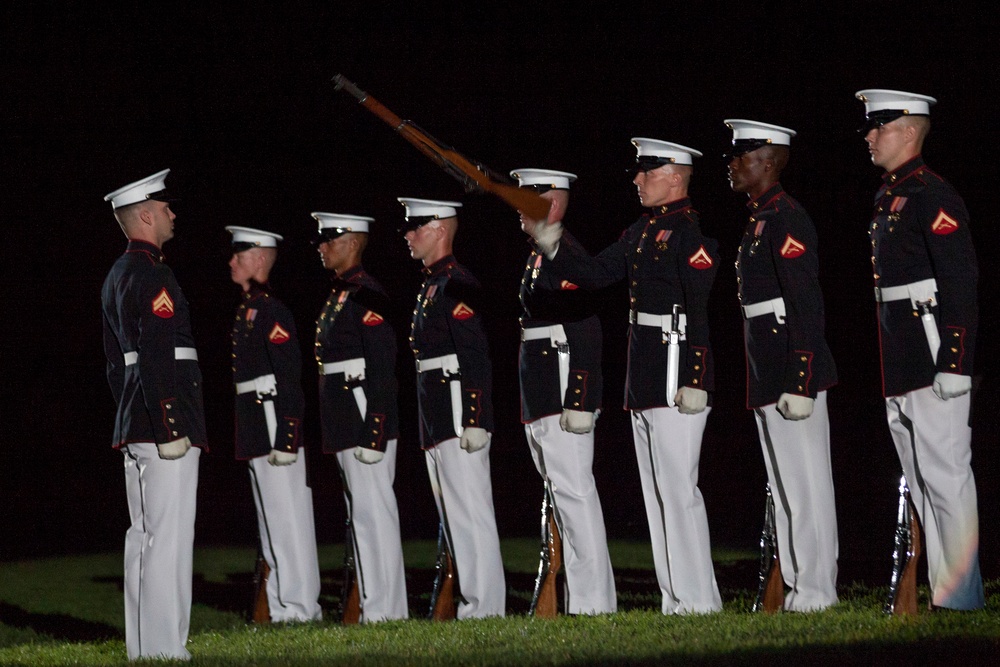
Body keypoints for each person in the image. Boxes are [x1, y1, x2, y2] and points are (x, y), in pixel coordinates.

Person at [528, 140, 722, 614]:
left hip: (677, 369)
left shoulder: (689, 233)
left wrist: (698, 376)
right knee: (657, 495)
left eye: (647, 172)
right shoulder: (641, 230)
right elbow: (595, 274)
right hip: (646, 374)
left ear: (675, 176)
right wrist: (553, 241)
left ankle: (698, 600)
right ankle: (675, 599)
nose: (637, 180)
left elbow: (698, 308)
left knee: (679, 490)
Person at [856, 89, 983, 610]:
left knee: (947, 473)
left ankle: (961, 597)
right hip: (902, 354)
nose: (869, 136)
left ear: (908, 130)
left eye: (878, 126)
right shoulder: (891, 194)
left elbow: (960, 280)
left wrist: (955, 361)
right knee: (921, 476)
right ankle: (943, 591)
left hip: (932, 353)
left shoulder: (933, 194)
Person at [724, 119, 839, 611]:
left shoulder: (786, 216)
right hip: (766, 364)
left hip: (792, 368)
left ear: (767, 161)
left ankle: (817, 588)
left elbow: (805, 302)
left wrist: (801, 376)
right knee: (784, 482)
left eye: (741, 155)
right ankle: (798, 585)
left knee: (807, 482)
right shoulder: (759, 218)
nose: (731, 164)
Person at [101, 169, 205, 660]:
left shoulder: (116, 276)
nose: (172, 213)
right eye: (165, 207)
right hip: (165, 421)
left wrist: (134, 415)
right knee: (168, 538)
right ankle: (165, 650)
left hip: (134, 420)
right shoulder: (155, 274)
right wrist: (170, 423)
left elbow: (115, 365)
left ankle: (143, 648)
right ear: (145, 214)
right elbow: (159, 351)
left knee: (143, 537)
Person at [509, 167, 616, 614]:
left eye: (528, 200)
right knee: (561, 493)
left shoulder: (564, 254)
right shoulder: (540, 254)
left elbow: (587, 328)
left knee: (574, 491)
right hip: (541, 383)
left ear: (551, 203)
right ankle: (579, 598)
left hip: (561, 380)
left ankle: (594, 603)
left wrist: (581, 398)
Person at [399, 197, 506, 618]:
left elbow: (476, 355)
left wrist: (476, 418)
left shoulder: (456, 282)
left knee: (471, 509)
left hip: (458, 408)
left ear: (440, 229)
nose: (408, 234)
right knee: (454, 512)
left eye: (416, 226)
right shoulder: (432, 284)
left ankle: (485, 607)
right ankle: (473, 602)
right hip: (438, 409)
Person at [313, 211, 408, 622]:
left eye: (329, 239)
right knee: (362, 515)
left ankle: (386, 610)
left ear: (352, 242)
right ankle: (375, 606)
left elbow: (383, 366)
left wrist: (376, 430)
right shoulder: (340, 293)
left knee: (374, 513)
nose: (321, 246)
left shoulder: (366, 292)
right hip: (344, 415)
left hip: (362, 412)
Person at [226, 225, 322, 623]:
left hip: (272, 423)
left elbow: (288, 377)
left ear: (261, 259)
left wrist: (287, 436)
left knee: (289, 518)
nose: (232, 261)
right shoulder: (249, 309)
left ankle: (300, 608)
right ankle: (282, 605)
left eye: (240, 254)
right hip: (255, 424)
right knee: (271, 520)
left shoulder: (272, 311)